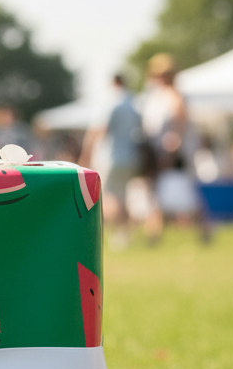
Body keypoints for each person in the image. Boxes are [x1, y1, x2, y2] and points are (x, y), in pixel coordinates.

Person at [141, 53, 209, 243]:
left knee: (184, 195)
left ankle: (202, 230)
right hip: (157, 152)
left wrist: (170, 154)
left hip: (174, 154)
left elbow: (179, 129)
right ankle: (154, 233)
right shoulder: (155, 98)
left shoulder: (176, 97)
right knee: (159, 193)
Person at [81, 74, 144, 248]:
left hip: (110, 156)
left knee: (110, 196)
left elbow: (99, 129)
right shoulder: (134, 103)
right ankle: (125, 234)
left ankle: (118, 234)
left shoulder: (111, 102)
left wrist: (86, 153)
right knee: (123, 196)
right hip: (131, 156)